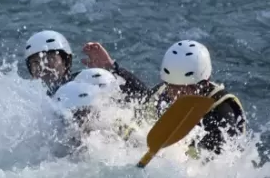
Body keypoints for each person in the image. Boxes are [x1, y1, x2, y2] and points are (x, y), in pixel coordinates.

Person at [83, 40, 245, 156]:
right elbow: (140, 98)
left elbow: (214, 165)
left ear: (205, 82)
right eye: (173, 87)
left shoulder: (222, 112)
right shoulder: (163, 92)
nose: (177, 94)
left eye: (187, 88)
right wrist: (113, 69)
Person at [24, 30, 74, 96]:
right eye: (36, 62)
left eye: (50, 59)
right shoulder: (26, 97)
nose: (43, 66)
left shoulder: (82, 83)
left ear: (65, 62)